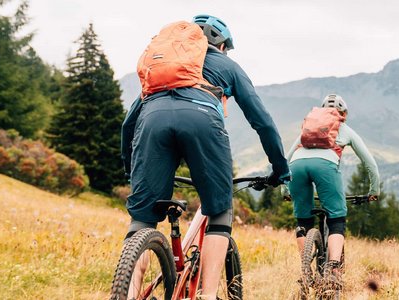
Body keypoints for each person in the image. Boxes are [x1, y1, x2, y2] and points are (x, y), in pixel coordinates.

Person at [120, 14, 290, 299]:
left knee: (143, 220)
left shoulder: (165, 66)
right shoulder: (227, 65)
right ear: (222, 45)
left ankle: (127, 292)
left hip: (152, 122)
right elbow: (263, 122)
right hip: (201, 121)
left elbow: (128, 125)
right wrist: (279, 169)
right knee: (219, 212)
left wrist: (131, 168)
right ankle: (207, 295)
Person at [284, 94, 380, 287]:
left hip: (296, 166)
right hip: (325, 167)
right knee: (336, 218)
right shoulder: (344, 128)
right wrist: (374, 189)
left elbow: (287, 157)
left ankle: (306, 272)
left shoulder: (309, 128)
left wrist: (285, 190)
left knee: (303, 220)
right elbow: (369, 163)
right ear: (343, 114)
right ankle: (334, 270)